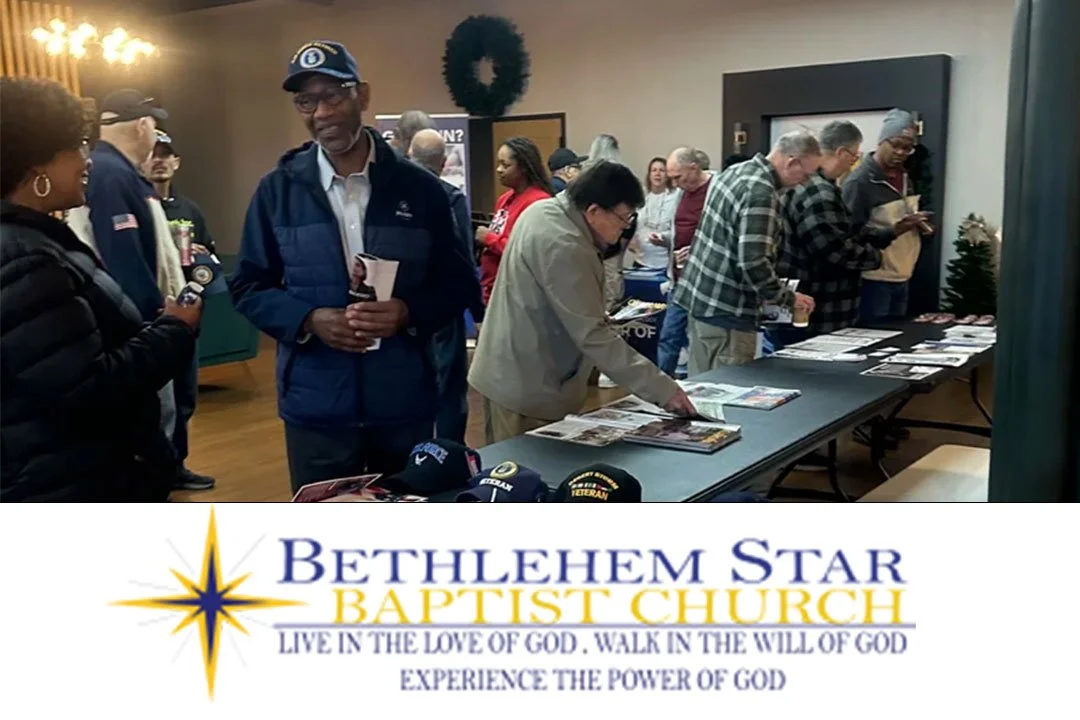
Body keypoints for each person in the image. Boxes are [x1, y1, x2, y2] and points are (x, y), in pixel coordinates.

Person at [229, 40, 479, 494]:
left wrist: (408, 312)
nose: (321, 112)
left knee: (403, 536)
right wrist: (307, 319)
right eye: (306, 101)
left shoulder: (422, 192)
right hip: (316, 407)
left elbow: (459, 283)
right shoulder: (276, 192)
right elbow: (247, 285)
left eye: (333, 96)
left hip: (404, 401)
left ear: (362, 96)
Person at [0, 77, 201, 502]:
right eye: (76, 147)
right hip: (67, 485)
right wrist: (174, 329)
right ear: (37, 167)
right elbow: (87, 389)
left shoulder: (32, 243)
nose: (87, 160)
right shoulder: (27, 262)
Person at [469, 161, 696, 444]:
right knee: (522, 477)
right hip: (526, 387)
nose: (624, 229)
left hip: (514, 369)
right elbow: (592, 335)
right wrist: (664, 390)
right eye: (623, 219)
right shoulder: (564, 243)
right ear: (594, 211)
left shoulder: (544, 210)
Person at [71, 88, 207, 491]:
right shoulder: (112, 174)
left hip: (150, 323)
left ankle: (168, 471)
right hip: (142, 327)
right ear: (143, 126)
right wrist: (158, 323)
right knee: (153, 419)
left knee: (170, 409)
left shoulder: (122, 173)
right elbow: (124, 259)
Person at [672, 131, 819, 371]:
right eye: (806, 174)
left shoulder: (735, 172)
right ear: (791, 162)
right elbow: (753, 263)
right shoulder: (761, 192)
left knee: (701, 387)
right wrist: (788, 298)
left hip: (702, 303)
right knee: (728, 393)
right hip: (729, 312)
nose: (805, 182)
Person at [142, 129, 219, 490]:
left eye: (166, 154)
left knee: (185, 396)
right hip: (152, 320)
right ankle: (155, 470)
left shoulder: (190, 210)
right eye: (153, 153)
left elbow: (210, 260)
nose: (159, 160)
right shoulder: (138, 207)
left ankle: (178, 466)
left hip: (188, 315)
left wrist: (204, 258)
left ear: (176, 162)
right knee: (157, 404)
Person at [773, 120, 885, 347]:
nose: (855, 162)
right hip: (820, 309)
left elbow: (836, 231)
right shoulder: (819, 192)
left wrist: (880, 234)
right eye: (855, 156)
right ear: (841, 152)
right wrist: (876, 257)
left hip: (798, 303)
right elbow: (833, 252)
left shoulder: (801, 183)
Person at [408, 127, 485, 443]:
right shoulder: (449, 197)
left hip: (400, 310)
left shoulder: (389, 195)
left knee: (409, 386)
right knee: (451, 389)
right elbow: (463, 258)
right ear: (442, 163)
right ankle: (449, 458)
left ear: (410, 156)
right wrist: (477, 311)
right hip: (443, 308)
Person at [842, 108, 934, 322]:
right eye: (896, 145)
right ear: (881, 141)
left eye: (908, 148)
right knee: (874, 339)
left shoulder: (905, 176)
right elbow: (850, 234)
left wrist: (919, 226)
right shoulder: (860, 182)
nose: (901, 153)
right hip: (873, 279)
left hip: (903, 275)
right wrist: (897, 229)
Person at [655, 147, 719, 377]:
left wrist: (696, 251)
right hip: (679, 280)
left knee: (701, 340)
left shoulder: (717, 189)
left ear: (694, 168)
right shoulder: (680, 194)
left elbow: (721, 235)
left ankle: (698, 388)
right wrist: (665, 240)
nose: (675, 183)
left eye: (678, 177)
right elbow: (679, 229)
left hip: (705, 283)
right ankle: (660, 388)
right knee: (669, 335)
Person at [475, 137, 552, 306]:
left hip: (516, 294)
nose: (499, 169)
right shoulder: (504, 199)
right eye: (498, 163)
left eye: (506, 165)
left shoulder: (538, 203)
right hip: (492, 288)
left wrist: (489, 239)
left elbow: (526, 251)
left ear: (523, 167)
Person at [628, 157, 678, 270]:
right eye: (654, 170)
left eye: (662, 170)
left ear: (668, 175)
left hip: (665, 263)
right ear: (649, 174)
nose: (657, 174)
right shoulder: (641, 197)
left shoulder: (675, 197)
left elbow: (678, 228)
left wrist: (664, 238)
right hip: (641, 261)